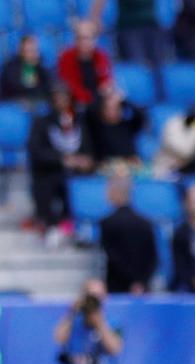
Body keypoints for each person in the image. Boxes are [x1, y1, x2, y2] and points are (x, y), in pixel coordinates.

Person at [27, 84, 95, 234]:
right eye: (57, 98)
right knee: (48, 185)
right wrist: (63, 160)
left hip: (76, 173)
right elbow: (36, 150)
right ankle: (49, 224)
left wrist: (85, 160)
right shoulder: (42, 122)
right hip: (49, 172)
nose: (61, 102)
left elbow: (88, 148)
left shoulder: (80, 122)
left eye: (65, 98)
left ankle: (76, 225)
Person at [99, 175, 158, 294]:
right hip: (143, 287)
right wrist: (140, 281)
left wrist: (132, 281)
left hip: (117, 287)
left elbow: (113, 257)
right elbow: (153, 258)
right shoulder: (146, 223)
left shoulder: (107, 223)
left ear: (114, 193)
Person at [57, 18, 114, 106]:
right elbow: (71, 86)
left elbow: (105, 79)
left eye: (86, 38)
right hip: (77, 102)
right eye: (79, 38)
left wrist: (106, 89)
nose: (83, 42)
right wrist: (91, 99)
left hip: (98, 100)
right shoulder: (66, 57)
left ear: (95, 40)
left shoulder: (101, 55)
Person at [87, 88, 146, 172]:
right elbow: (89, 111)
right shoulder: (97, 127)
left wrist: (123, 100)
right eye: (108, 108)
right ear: (102, 110)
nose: (113, 111)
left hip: (129, 166)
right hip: (107, 168)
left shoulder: (128, 125)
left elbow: (141, 115)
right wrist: (102, 95)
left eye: (116, 108)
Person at [1, 35, 51, 104]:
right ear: (20, 51)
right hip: (14, 103)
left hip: (37, 102)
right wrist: (29, 67)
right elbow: (23, 88)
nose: (31, 54)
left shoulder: (41, 66)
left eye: (34, 50)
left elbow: (47, 86)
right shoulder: (11, 67)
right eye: (28, 51)